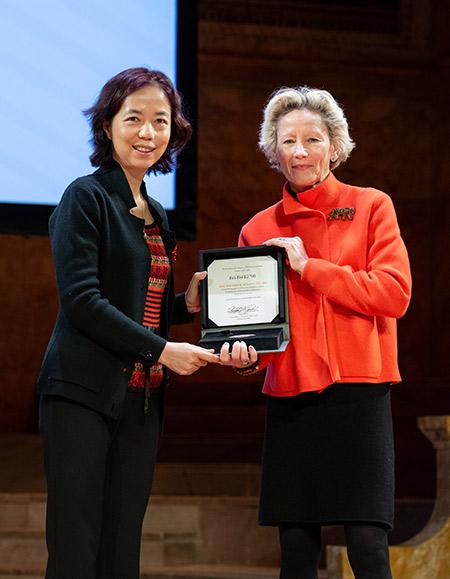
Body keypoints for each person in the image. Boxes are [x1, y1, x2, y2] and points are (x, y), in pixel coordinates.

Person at [220, 87, 412, 578]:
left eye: (312, 139)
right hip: (291, 397)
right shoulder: (257, 228)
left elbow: (393, 294)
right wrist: (245, 355)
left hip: (359, 393)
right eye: (288, 141)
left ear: (335, 144)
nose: (300, 151)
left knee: (368, 545)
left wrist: (311, 267)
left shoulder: (371, 206)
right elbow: (258, 330)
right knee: (296, 552)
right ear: (273, 150)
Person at [37, 67, 219, 579]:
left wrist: (187, 303)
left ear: (173, 131)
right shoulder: (85, 196)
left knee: (122, 552)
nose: (147, 132)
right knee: (77, 549)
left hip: (141, 399)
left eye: (160, 121)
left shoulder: (157, 213)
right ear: (108, 125)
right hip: (81, 393)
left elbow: (143, 304)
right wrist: (163, 351)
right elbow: (83, 301)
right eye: (133, 118)